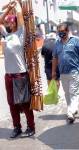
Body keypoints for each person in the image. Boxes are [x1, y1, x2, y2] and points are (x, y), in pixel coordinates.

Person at [0, 1, 35, 138]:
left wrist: (15, 4)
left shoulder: (20, 33)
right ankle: (17, 127)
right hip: (9, 75)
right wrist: (8, 8)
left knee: (24, 102)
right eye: (7, 22)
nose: (8, 24)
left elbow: (19, 14)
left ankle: (31, 126)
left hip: (20, 74)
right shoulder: (6, 36)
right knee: (12, 104)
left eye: (11, 22)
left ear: (15, 23)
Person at [52, 23, 79, 123]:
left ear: (67, 31)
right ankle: (73, 108)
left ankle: (70, 112)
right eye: (59, 32)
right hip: (63, 72)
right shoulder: (57, 43)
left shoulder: (75, 41)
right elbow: (55, 58)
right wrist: (53, 71)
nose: (61, 34)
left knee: (73, 92)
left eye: (63, 32)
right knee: (67, 93)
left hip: (74, 71)